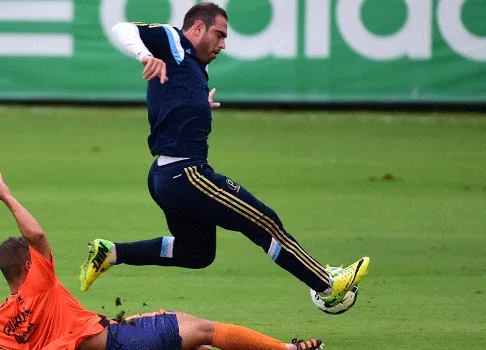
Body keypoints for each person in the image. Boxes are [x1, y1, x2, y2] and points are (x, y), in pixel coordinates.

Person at [80, 2, 369, 309]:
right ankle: (327, 285)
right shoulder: (173, 41)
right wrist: (144, 55)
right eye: (219, 34)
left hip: (164, 176)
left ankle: (111, 253)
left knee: (197, 253)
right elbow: (120, 29)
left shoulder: (193, 66)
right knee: (264, 222)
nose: (223, 44)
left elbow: (171, 102)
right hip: (187, 174)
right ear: (198, 27)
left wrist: (198, 103)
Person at [0, 170, 324, 350]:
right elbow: (39, 237)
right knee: (203, 329)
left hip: (109, 332)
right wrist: (6, 197)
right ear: (28, 266)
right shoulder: (39, 284)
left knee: (192, 344)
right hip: (117, 344)